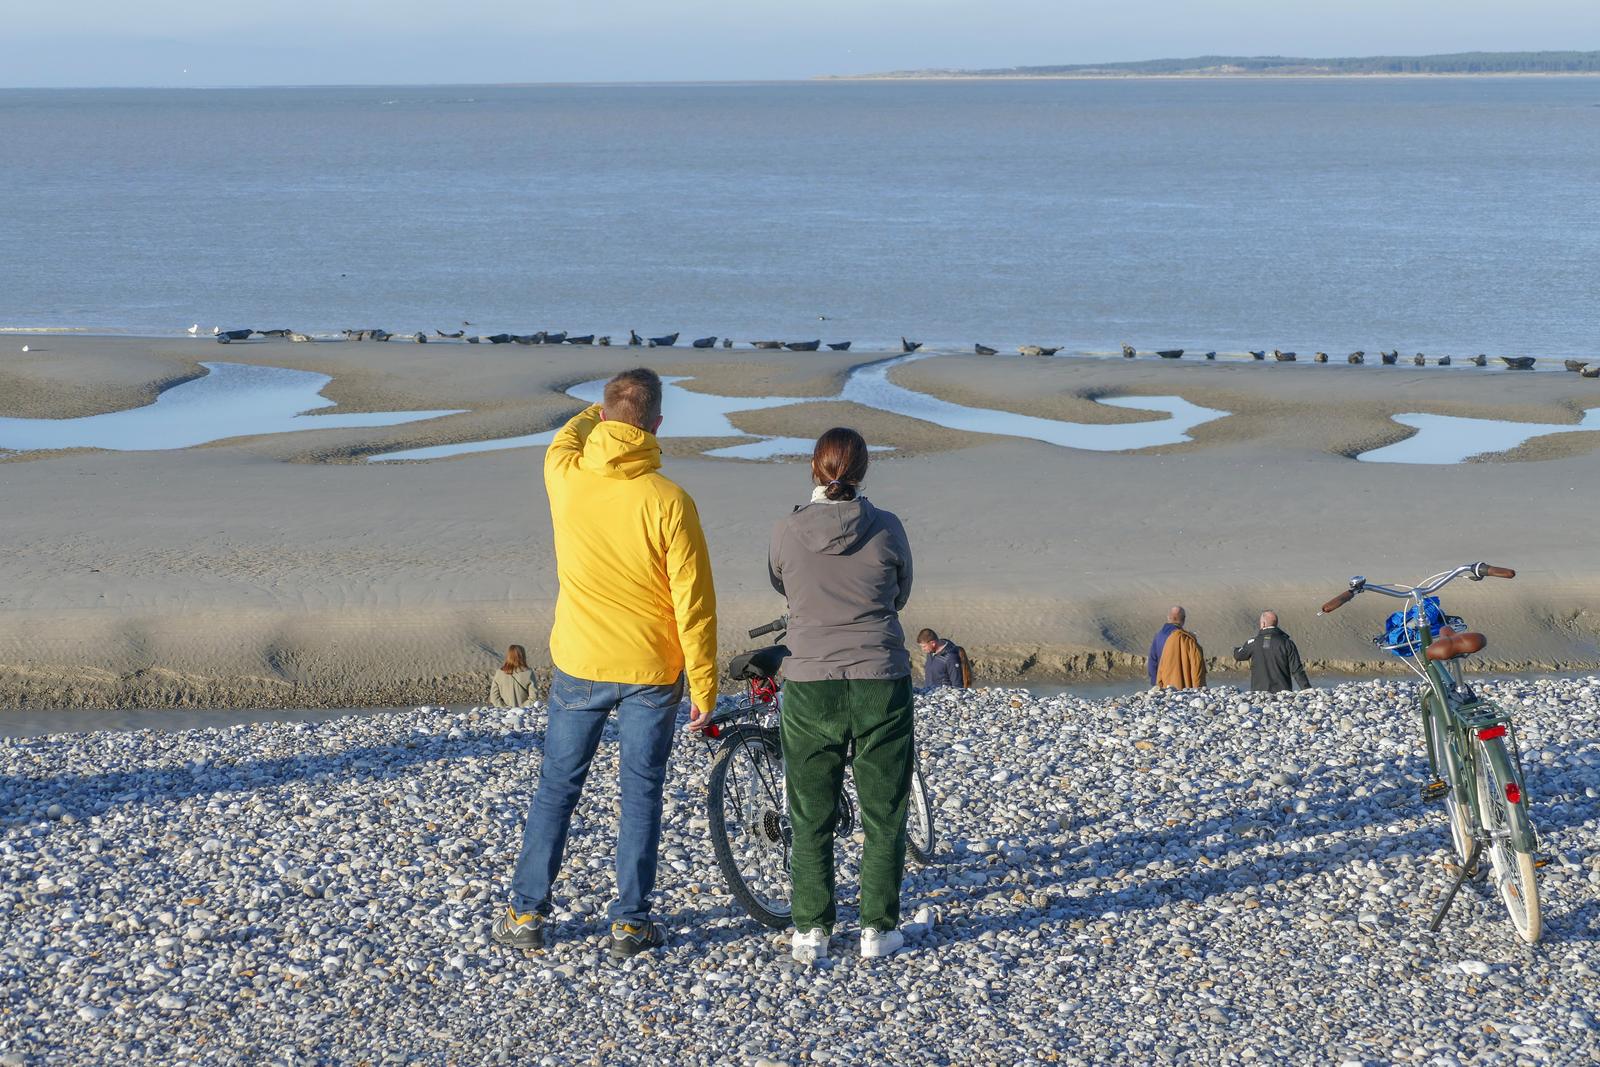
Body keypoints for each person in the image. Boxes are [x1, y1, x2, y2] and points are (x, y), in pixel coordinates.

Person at [493, 368, 717, 958]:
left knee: (557, 789)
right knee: (640, 794)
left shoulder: (565, 474)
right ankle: (629, 923)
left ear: (603, 413)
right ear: (658, 425)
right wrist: (705, 684)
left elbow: (564, 439)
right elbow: (693, 602)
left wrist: (594, 414)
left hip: (582, 660)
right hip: (651, 667)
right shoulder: (670, 500)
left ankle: (526, 914)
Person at [769, 427, 914, 963]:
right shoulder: (888, 527)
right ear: (864, 469)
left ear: (814, 468)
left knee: (809, 811)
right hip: (880, 676)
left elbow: (781, 582)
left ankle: (812, 927)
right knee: (885, 808)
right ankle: (878, 926)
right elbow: (900, 592)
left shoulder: (787, 529)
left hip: (811, 681)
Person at [1232, 611, 1311, 693]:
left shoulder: (1253, 642)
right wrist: (1307, 688)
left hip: (1259, 692)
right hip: (1283, 692)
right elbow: (1296, 669)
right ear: (1276, 624)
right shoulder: (1287, 643)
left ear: (1263, 624)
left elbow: (1238, 655)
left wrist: (1235, 649)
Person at [1148, 605, 1206, 689]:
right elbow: (1196, 664)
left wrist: (1155, 684)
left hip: (1163, 683)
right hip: (1183, 684)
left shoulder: (1158, 636)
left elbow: (1152, 662)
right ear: (1183, 619)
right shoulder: (1185, 638)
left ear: (1168, 617)